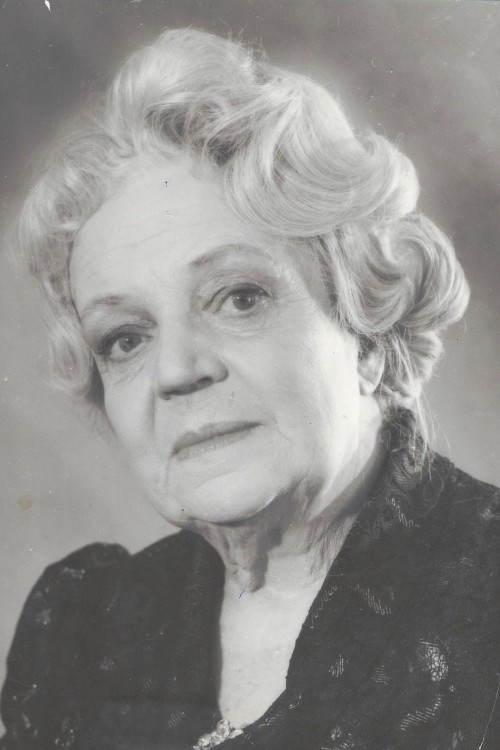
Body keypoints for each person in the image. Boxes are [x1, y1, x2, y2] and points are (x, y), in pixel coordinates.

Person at [1, 27, 499, 750]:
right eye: (126, 338)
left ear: (367, 327)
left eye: (238, 298)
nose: (177, 371)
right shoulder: (81, 630)